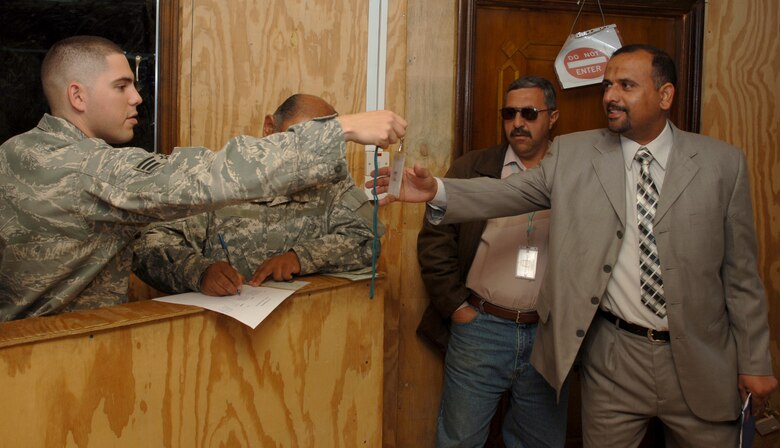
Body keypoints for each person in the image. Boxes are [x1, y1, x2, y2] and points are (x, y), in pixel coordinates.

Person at [371, 44, 777, 446]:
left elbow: (741, 276)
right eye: (606, 85)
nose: (610, 96)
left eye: (626, 85)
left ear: (665, 95)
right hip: (615, 358)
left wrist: (755, 361)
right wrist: (437, 190)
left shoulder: (723, 164)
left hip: (703, 360)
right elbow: (506, 193)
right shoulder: (575, 153)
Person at [0, 35, 405, 321]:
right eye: (121, 86)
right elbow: (205, 177)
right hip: (53, 355)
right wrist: (341, 129)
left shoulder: (15, 152)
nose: (137, 97)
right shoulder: (90, 167)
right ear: (77, 96)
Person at [416, 76, 567, 447]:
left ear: (553, 117)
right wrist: (457, 308)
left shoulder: (573, 172)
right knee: (459, 439)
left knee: (539, 441)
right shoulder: (474, 167)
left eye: (529, 113)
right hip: (482, 328)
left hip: (548, 335)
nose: (518, 122)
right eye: (509, 113)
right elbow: (435, 242)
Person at [132, 94, 383, 295]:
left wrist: (301, 258)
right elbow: (148, 246)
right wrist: (200, 271)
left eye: (317, 146)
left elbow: (367, 241)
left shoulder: (332, 185)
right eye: (297, 141)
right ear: (269, 128)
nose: (307, 156)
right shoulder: (222, 180)